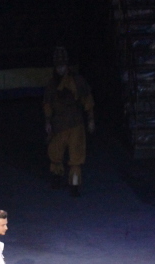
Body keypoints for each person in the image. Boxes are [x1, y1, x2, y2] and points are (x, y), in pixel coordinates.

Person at [43, 47, 94, 195]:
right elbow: (47, 104)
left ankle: (75, 185)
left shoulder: (77, 81)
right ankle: (56, 178)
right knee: (55, 154)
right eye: (58, 66)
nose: (60, 69)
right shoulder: (52, 84)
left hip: (75, 124)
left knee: (76, 158)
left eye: (62, 66)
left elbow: (87, 99)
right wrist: (47, 121)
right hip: (58, 125)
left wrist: (91, 119)